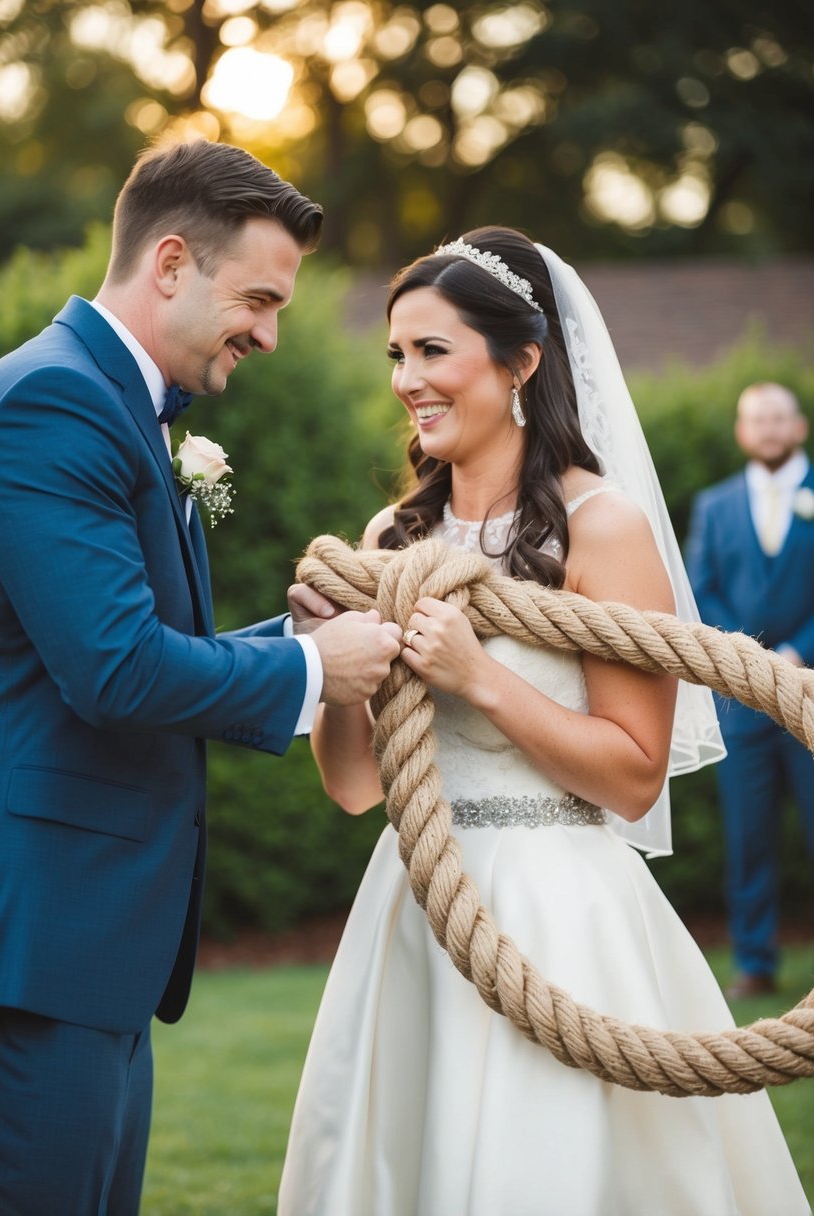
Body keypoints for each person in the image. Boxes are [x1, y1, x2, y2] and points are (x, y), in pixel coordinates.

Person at [277, 230, 809, 1215]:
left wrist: (483, 679)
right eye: (396, 353)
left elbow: (634, 773)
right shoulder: (389, 541)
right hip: (414, 909)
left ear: (520, 361)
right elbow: (354, 786)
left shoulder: (601, 528)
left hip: (561, 916)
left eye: (433, 350)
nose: (407, 378)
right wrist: (333, 663)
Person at [0, 136, 402, 1215]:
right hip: (36, 943)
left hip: (93, 947)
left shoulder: (118, 403)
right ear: (171, 263)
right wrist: (314, 669)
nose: (268, 333)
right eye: (258, 299)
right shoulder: (53, 402)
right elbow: (115, 671)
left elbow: (110, 639)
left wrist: (285, 634)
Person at [686, 382, 814, 1000]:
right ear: (742, 431)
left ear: (799, 428)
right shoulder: (715, 505)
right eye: (755, 419)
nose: (767, 428)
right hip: (742, 701)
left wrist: (796, 654)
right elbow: (700, 585)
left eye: (778, 418)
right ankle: (755, 964)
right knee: (748, 836)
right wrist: (748, 656)